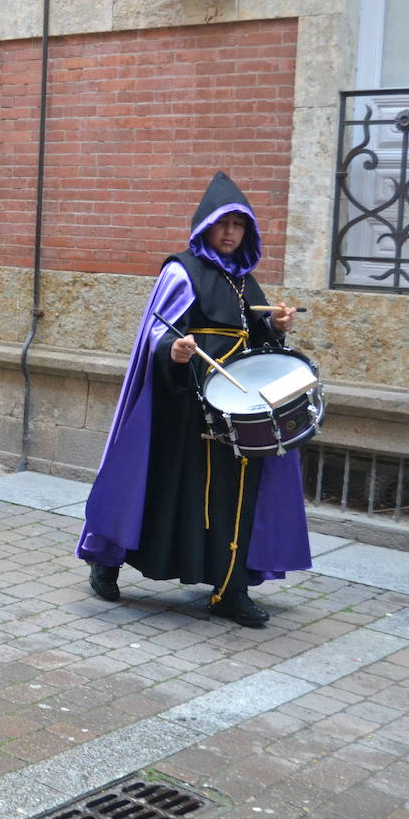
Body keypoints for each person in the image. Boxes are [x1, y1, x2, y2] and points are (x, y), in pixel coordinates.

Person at [76, 172, 312, 628]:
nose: (230, 234)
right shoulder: (181, 271)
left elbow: (256, 341)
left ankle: (230, 589)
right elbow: (157, 333)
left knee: (237, 497)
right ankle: (107, 560)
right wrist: (174, 348)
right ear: (205, 226)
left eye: (239, 226)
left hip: (238, 411)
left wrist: (276, 328)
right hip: (184, 410)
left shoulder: (246, 281)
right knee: (158, 490)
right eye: (224, 224)